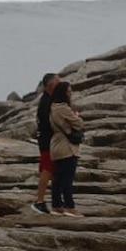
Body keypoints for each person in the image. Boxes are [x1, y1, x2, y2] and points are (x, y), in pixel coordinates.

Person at [49, 81, 84, 217]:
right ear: (63, 93)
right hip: (66, 147)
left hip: (56, 145)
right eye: (69, 92)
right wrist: (77, 116)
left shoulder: (52, 107)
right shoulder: (63, 108)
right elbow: (79, 124)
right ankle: (69, 206)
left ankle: (56, 205)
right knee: (67, 179)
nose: (71, 94)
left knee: (57, 179)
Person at [30, 72, 60, 215]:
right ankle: (39, 201)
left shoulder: (47, 100)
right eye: (57, 83)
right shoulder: (47, 102)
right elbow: (50, 122)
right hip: (47, 142)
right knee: (47, 170)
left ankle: (56, 201)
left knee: (53, 172)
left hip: (48, 141)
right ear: (50, 85)